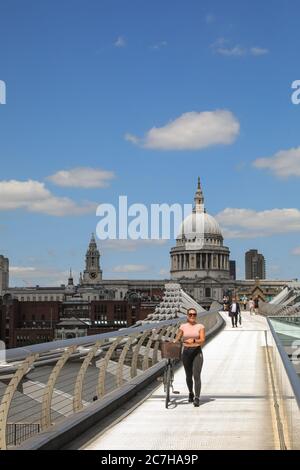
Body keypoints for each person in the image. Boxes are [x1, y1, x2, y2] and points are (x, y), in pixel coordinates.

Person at [174, 308, 205, 407]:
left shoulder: (200, 326)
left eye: (194, 314)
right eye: (190, 314)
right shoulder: (183, 326)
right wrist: (175, 342)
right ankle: (191, 393)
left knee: (196, 375)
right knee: (188, 375)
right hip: (186, 352)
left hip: (197, 352)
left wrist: (194, 341)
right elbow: (178, 337)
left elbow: (202, 339)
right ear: (187, 316)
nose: (192, 316)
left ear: (196, 315)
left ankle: (197, 398)